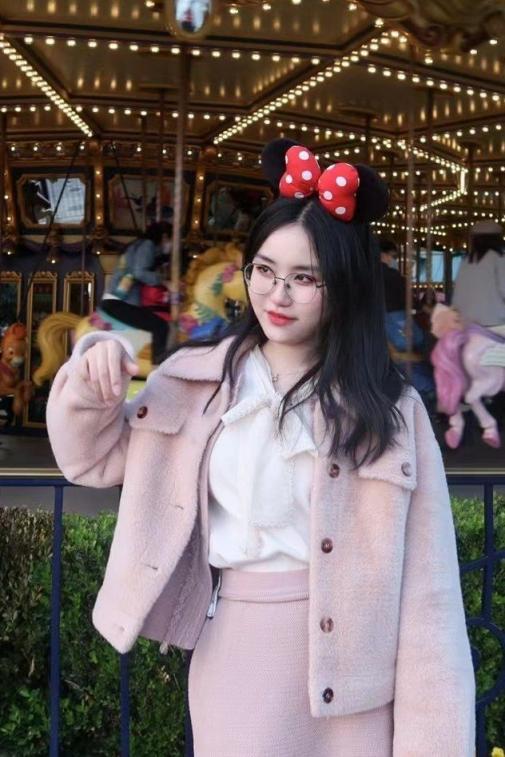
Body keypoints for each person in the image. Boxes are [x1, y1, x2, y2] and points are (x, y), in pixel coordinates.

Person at [46, 139, 475, 756]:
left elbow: (431, 601)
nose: (277, 294)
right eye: (265, 270)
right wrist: (92, 375)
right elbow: (89, 459)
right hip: (236, 658)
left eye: (304, 278)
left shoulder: (391, 410)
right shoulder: (192, 381)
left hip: (360, 681)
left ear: (343, 286)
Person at [101, 221, 172, 364]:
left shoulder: (136, 246)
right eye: (171, 239)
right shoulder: (147, 245)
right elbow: (139, 272)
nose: (171, 244)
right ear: (164, 236)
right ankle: (158, 366)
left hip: (115, 298)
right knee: (160, 326)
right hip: (121, 301)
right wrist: (166, 282)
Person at [452, 219, 505, 331]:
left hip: (468, 324)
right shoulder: (499, 258)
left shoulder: (467, 261)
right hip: (494, 323)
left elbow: (457, 295)